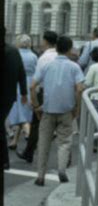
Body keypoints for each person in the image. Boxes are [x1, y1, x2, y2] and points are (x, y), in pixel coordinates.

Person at [30, 35, 85, 186]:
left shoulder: (47, 66)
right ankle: (62, 169)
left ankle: (40, 176)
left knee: (44, 143)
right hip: (66, 111)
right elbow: (80, 89)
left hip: (47, 110)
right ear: (69, 49)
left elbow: (32, 87)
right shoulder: (75, 67)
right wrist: (77, 107)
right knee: (64, 141)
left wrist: (36, 106)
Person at [17, 30, 58, 164]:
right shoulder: (58, 56)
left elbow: (36, 81)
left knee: (36, 123)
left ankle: (29, 152)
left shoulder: (43, 58)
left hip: (44, 93)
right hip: (56, 93)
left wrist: (34, 101)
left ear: (45, 41)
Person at [7, 35, 38, 150]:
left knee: (19, 112)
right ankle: (15, 140)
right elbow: (36, 71)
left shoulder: (15, 54)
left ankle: (27, 133)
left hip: (17, 83)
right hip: (30, 83)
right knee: (26, 111)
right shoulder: (34, 56)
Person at [1, 38, 28, 170]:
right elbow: (21, 73)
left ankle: (5, 160)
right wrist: (23, 92)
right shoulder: (14, 52)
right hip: (9, 96)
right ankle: (4, 161)